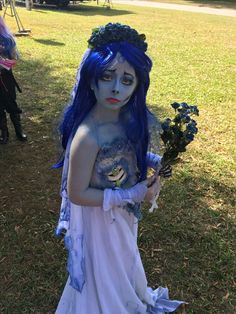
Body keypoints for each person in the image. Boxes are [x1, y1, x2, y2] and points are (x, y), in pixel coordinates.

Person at [55, 23, 184, 313]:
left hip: (121, 215)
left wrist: (153, 160)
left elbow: (127, 150)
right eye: (107, 76)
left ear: (138, 85)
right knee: (104, 265)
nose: (116, 88)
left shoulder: (124, 117)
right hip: (98, 221)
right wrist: (132, 194)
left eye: (127, 80)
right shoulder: (87, 137)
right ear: (91, 80)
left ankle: (126, 293)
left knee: (124, 255)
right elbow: (77, 193)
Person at [0, 16, 27, 144]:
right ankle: (4, 133)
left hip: (6, 78)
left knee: (11, 103)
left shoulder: (7, 39)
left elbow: (14, 57)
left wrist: (6, 61)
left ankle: (18, 130)